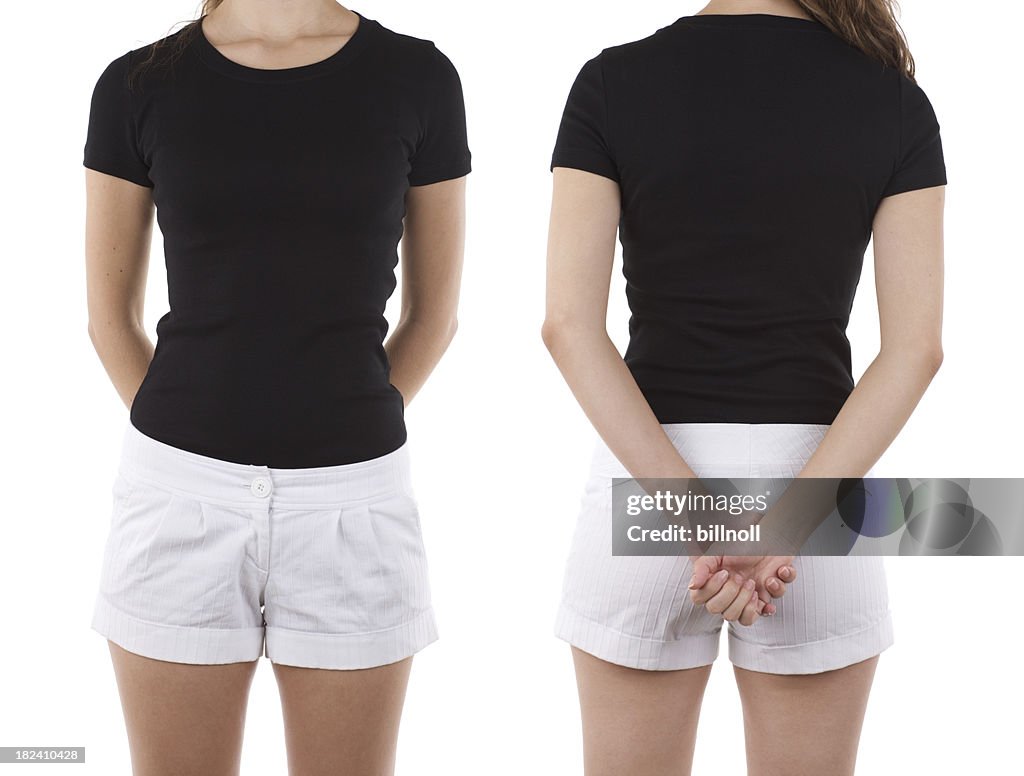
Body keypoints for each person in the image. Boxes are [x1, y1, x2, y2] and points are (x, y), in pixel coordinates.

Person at [542, 0, 945, 773]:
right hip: (821, 501)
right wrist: (787, 523)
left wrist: (697, 516)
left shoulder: (611, 82)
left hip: (648, 485)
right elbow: (916, 349)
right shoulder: (893, 99)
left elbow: (567, 325)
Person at [83, 1, 469, 773]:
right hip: (179, 501)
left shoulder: (418, 76)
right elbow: (108, 319)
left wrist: (344, 418)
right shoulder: (135, 83)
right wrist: (195, 435)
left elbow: (434, 318)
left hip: (353, 505)